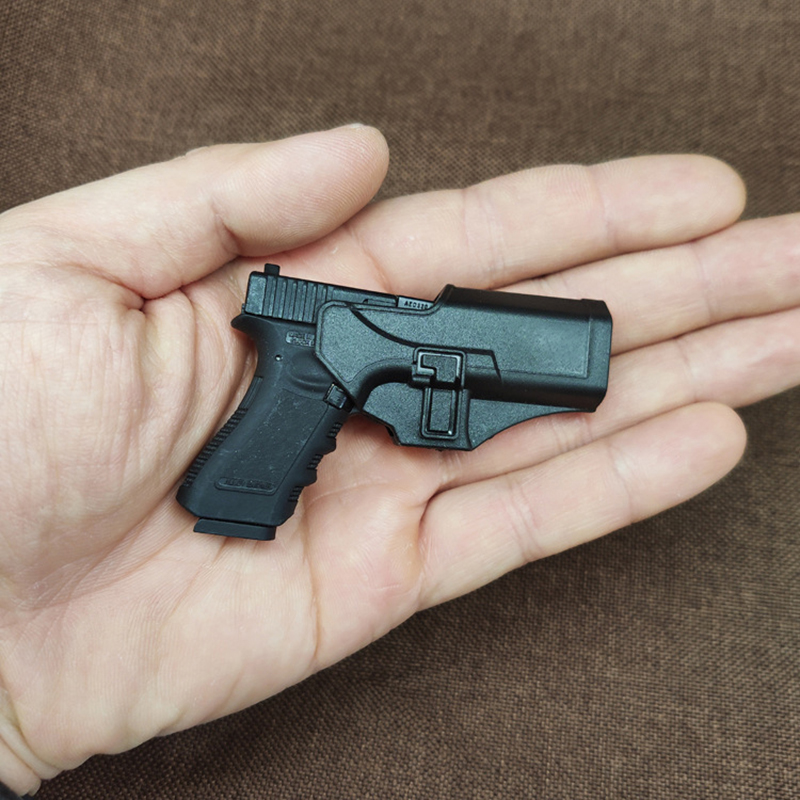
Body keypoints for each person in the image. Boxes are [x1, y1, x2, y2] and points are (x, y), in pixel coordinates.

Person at [0, 125, 797, 797]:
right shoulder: (320, 336)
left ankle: (236, 497)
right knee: (300, 401)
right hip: (322, 335)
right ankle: (237, 498)